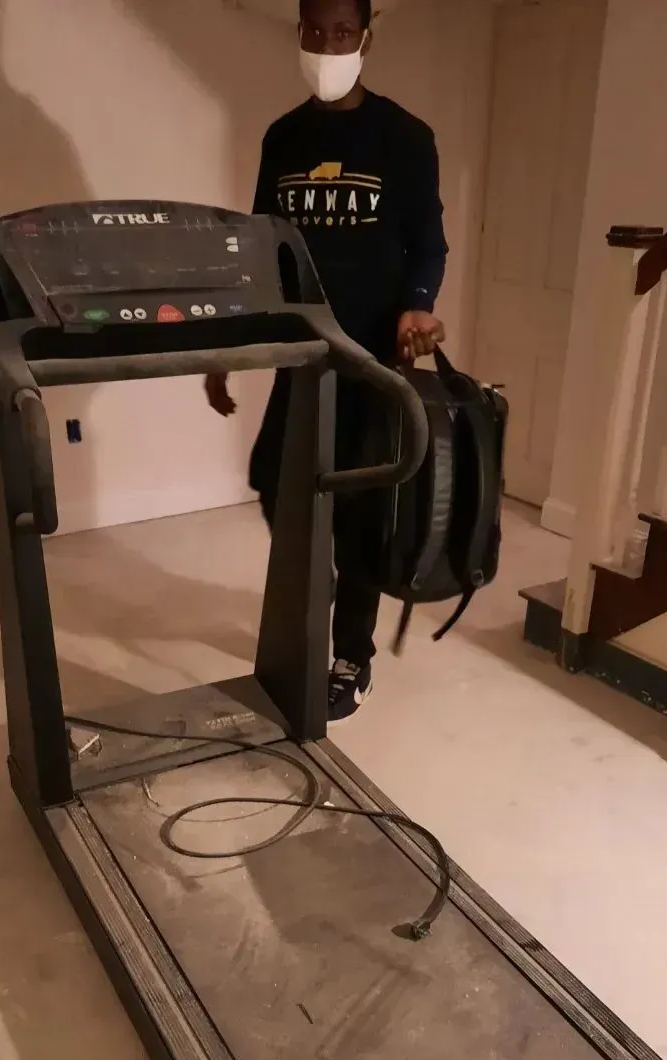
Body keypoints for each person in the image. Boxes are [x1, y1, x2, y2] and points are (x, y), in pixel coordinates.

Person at [204, 0, 448, 721]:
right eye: (316, 31)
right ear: (300, 34)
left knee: (363, 509)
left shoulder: (405, 137)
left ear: (366, 38)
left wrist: (418, 304)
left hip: (373, 358)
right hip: (301, 351)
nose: (328, 45)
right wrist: (231, 341)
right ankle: (323, 590)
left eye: (343, 33)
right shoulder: (284, 137)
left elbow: (428, 242)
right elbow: (262, 247)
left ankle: (352, 656)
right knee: (274, 483)